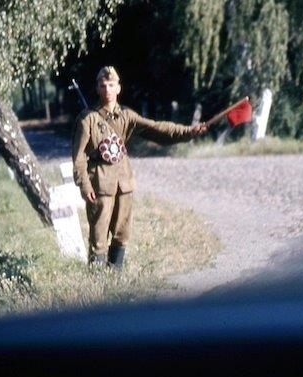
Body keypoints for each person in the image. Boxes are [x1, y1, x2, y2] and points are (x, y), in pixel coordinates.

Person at [72, 66, 207, 268]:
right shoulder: (87, 119)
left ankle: (115, 279)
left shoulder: (127, 116)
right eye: (103, 85)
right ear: (97, 89)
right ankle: (98, 287)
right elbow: (79, 156)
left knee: (122, 234)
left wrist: (189, 132)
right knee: (99, 237)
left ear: (119, 88)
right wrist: (84, 185)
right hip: (99, 184)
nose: (107, 89)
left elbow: (157, 129)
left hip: (123, 183)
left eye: (111, 85)